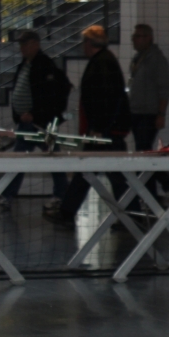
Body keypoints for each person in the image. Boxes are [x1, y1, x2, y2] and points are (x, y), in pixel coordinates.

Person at [44, 25, 131, 227]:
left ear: (89, 42)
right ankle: (69, 211)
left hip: (104, 132)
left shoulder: (102, 63)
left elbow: (106, 98)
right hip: (105, 130)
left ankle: (130, 215)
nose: (82, 46)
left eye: (84, 42)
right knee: (97, 173)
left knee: (108, 175)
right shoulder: (104, 61)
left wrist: (99, 128)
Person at [1, 30, 71, 209]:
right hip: (27, 122)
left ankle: (9, 195)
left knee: (31, 158)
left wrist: (35, 114)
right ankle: (61, 193)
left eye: (25, 44)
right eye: (21, 44)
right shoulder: (25, 65)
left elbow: (50, 95)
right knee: (48, 157)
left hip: (40, 124)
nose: (22, 48)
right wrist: (19, 115)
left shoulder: (44, 65)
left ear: (35, 44)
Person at [127, 24, 169, 197]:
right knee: (143, 152)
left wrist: (161, 114)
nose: (134, 39)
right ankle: (156, 189)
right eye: (134, 36)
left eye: (138, 36)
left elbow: (165, 89)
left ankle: (161, 186)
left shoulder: (157, 60)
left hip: (148, 114)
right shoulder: (138, 59)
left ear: (149, 38)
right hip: (136, 112)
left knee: (144, 153)